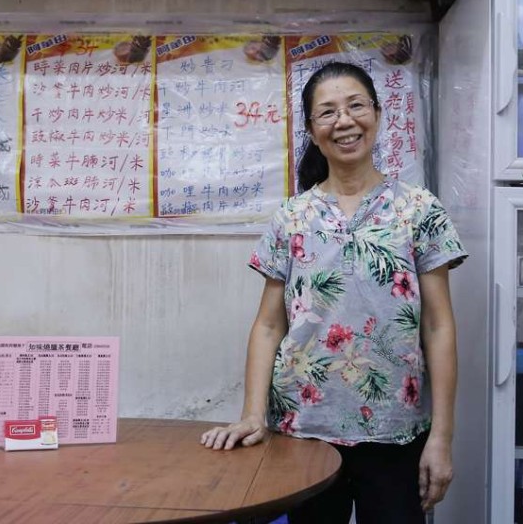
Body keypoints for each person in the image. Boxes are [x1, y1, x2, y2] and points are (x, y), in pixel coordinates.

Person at [200, 61, 467, 524]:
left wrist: (442, 437)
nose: (344, 121)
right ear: (312, 129)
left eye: (356, 106)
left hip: (396, 431)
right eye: (327, 112)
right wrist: (252, 414)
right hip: (304, 429)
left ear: (377, 114)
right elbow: (269, 325)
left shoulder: (419, 210)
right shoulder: (292, 216)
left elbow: (438, 326)